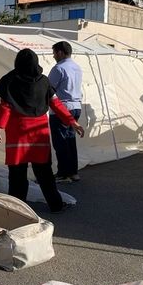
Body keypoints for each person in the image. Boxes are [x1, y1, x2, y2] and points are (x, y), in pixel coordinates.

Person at [0, 49, 85, 213]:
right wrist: (72, 122)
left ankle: (17, 210)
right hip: (39, 134)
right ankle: (55, 205)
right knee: (45, 174)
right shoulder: (44, 81)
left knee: (17, 176)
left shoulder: (10, 80)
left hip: (18, 133)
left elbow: (5, 107)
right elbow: (56, 104)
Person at [48, 41, 83, 183]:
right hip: (76, 106)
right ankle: (73, 172)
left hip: (62, 108)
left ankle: (63, 173)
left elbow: (49, 88)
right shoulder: (77, 67)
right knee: (70, 140)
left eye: (55, 52)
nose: (53, 55)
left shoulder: (58, 68)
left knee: (60, 141)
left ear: (60, 52)